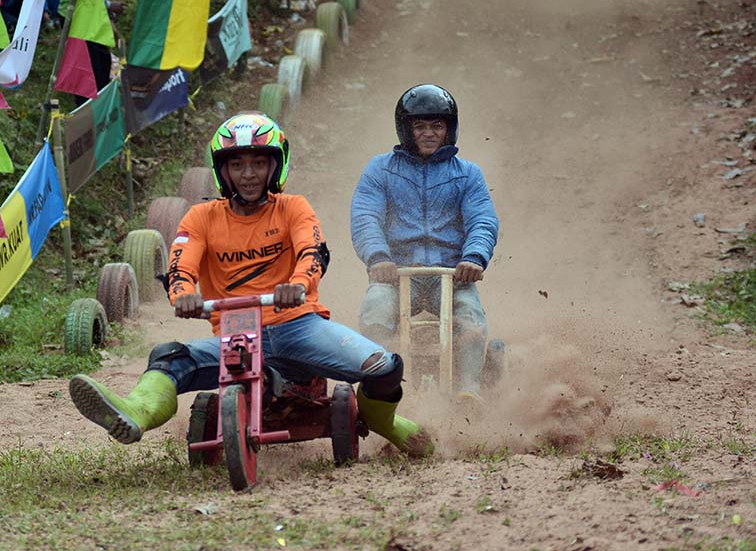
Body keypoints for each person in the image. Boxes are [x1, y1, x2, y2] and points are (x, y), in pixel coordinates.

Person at [69, 112, 434, 459]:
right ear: (223, 171)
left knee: (385, 368)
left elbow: (312, 253)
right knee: (167, 357)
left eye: (258, 163)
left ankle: (385, 422)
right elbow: (180, 266)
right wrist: (183, 295)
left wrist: (297, 285)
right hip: (235, 333)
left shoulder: (293, 208)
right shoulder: (200, 217)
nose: (248, 175)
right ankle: (135, 412)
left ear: (275, 166)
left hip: (297, 325)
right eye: (237, 165)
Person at [350, 84, 499, 402]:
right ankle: (381, 389)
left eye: (437, 125)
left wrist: (474, 257)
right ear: (406, 129)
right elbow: (365, 217)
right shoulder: (381, 169)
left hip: (453, 274)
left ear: (449, 129)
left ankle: (469, 390)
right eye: (420, 126)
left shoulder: (468, 174)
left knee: (470, 317)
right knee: (375, 310)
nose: (429, 133)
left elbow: (482, 220)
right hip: (396, 273)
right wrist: (378, 257)